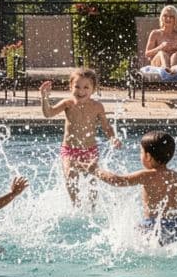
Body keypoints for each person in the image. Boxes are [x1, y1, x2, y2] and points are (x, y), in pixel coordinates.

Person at [96, 130, 177, 246]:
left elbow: (118, 181)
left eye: (140, 152)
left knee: (126, 238)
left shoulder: (147, 175)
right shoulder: (174, 175)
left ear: (148, 156)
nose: (140, 155)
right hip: (176, 225)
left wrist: (96, 171)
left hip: (154, 226)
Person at [39, 67, 122, 204]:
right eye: (77, 86)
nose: (81, 91)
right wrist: (44, 97)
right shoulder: (68, 103)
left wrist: (113, 138)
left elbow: (106, 127)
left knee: (92, 183)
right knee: (70, 176)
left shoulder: (97, 107)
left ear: (93, 89)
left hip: (90, 150)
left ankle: (92, 209)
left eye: (86, 87)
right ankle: (76, 206)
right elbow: (48, 113)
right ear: (70, 86)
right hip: (69, 150)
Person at [145, 5, 177, 73]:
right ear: (162, 18)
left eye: (171, 16)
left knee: (175, 56)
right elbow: (147, 54)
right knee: (162, 53)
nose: (168, 18)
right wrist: (160, 47)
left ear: (175, 19)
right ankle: (165, 70)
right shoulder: (155, 33)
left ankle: (173, 71)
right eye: (165, 16)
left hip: (174, 61)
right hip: (158, 64)